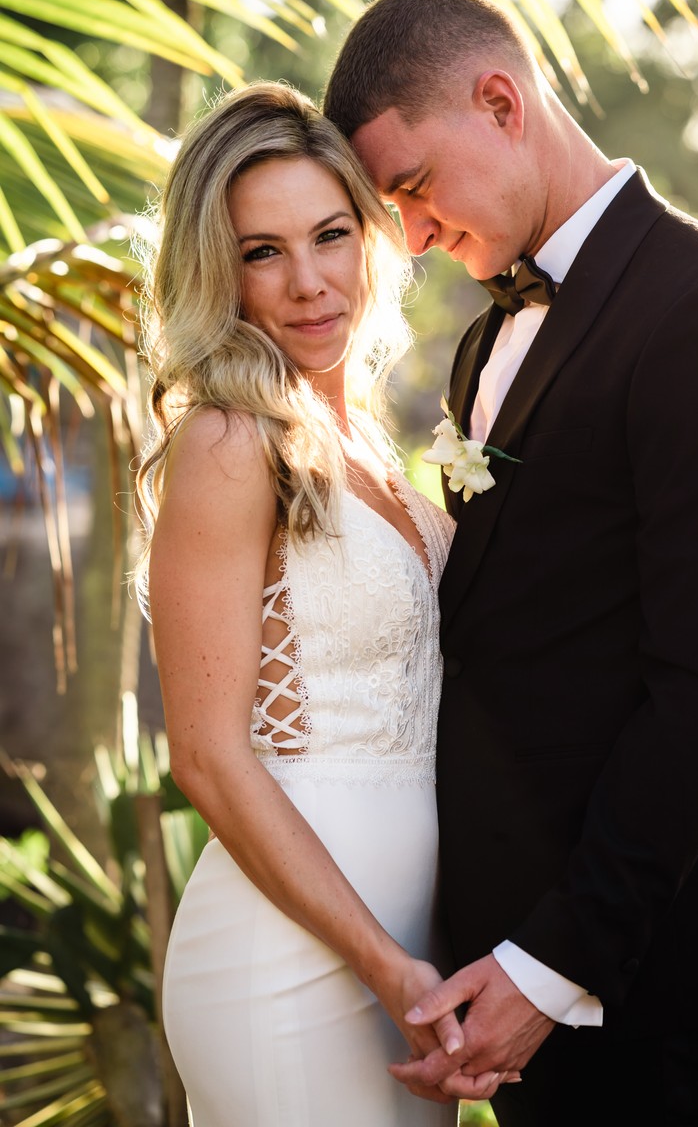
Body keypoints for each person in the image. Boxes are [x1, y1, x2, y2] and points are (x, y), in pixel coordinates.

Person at [324, 0, 698, 1126]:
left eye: (413, 187)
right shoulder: (482, 341)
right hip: (507, 957)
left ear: (501, 102)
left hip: (635, 969)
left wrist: (552, 966)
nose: (411, 235)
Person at [134, 81, 506, 1125]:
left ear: (372, 235)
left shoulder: (371, 442)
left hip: (410, 958)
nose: (307, 282)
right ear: (218, 270)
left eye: (329, 235)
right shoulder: (228, 441)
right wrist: (383, 961)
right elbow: (207, 758)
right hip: (289, 966)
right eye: (262, 251)